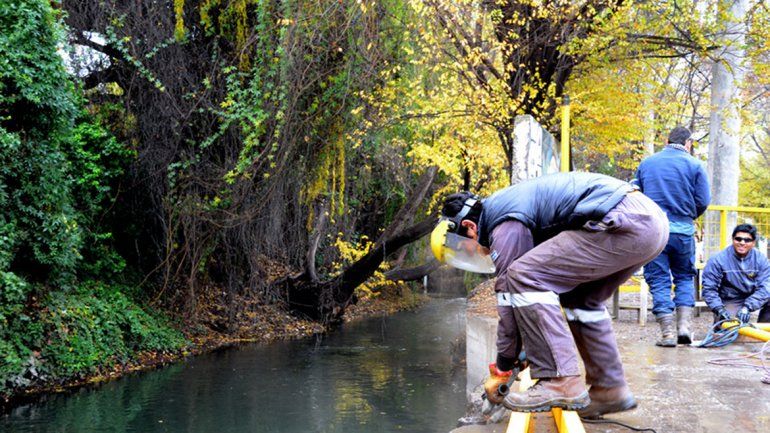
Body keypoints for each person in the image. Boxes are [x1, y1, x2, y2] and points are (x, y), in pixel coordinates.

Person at [437, 171, 668, 416]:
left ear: (470, 227)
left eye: (466, 247)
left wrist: (504, 366)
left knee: (523, 275)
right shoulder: (506, 207)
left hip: (621, 223)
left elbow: (509, 296)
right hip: (649, 223)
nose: (475, 253)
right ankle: (609, 390)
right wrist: (528, 346)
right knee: (580, 299)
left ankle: (560, 380)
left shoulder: (503, 225)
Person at [633, 126, 710, 346]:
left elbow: (634, 192)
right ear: (688, 143)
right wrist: (688, 215)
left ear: (667, 141)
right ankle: (684, 328)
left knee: (658, 279)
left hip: (654, 231)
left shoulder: (648, 163)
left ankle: (667, 334)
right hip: (683, 232)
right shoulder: (695, 165)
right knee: (685, 277)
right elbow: (703, 200)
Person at [701, 224, 770, 324]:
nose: (742, 242)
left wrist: (747, 307)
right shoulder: (718, 260)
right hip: (731, 299)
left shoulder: (761, 260)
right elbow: (709, 289)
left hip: (754, 295)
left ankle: (764, 333)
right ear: (733, 239)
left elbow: (766, 287)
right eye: (738, 239)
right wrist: (719, 309)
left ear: (753, 243)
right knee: (729, 325)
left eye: (747, 240)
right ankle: (721, 327)